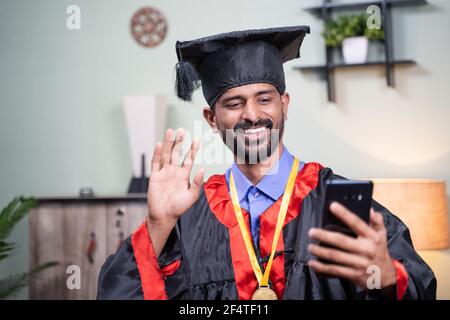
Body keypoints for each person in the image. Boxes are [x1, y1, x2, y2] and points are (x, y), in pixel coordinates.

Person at [97, 26, 436, 300]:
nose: (252, 115)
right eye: (233, 103)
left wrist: (387, 279)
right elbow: (119, 294)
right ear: (211, 119)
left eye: (264, 99)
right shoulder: (188, 214)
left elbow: (420, 288)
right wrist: (158, 224)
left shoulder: (339, 203)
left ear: (284, 104)